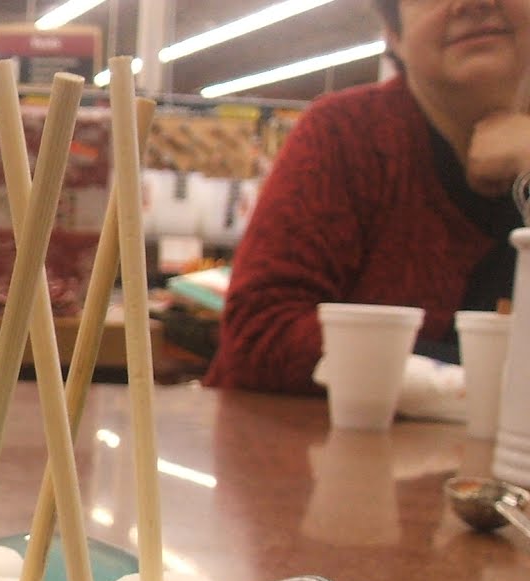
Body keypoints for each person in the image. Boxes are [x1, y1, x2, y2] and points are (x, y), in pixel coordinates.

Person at [205, 0, 530, 394]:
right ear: (395, 35)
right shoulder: (344, 136)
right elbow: (258, 337)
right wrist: (472, 377)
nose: (474, 3)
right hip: (304, 448)